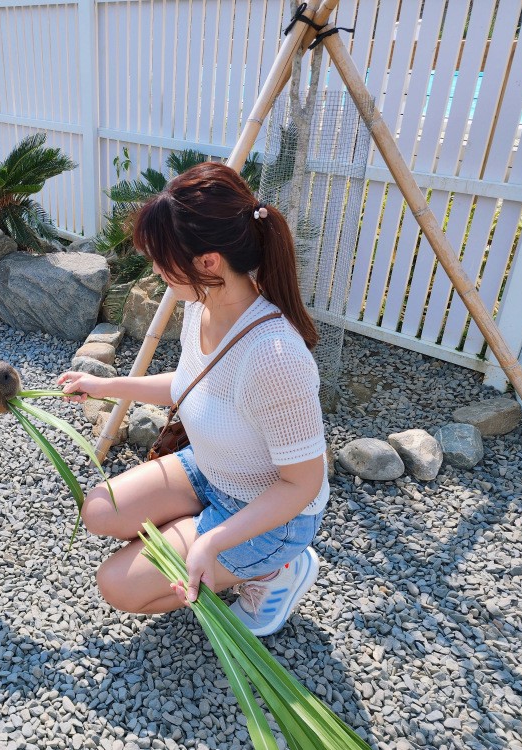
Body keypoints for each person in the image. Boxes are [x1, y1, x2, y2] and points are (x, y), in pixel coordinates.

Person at [58, 162, 328, 637]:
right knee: (98, 510)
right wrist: (104, 385)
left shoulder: (276, 357)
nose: (157, 271)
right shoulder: (201, 305)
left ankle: (273, 570)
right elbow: (190, 382)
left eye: (163, 261)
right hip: (209, 468)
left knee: (117, 585)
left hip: (268, 512)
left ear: (208, 262)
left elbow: (302, 485)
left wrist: (213, 541)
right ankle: (202, 539)